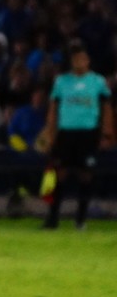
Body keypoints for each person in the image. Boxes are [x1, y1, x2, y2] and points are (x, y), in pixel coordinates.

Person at [42, 42, 114, 230]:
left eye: (81, 58)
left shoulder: (97, 81)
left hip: (88, 134)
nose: (78, 62)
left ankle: (80, 220)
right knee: (58, 173)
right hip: (66, 133)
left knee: (86, 175)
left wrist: (107, 134)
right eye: (74, 59)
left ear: (87, 60)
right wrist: (50, 133)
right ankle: (52, 219)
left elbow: (106, 108)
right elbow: (53, 109)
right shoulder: (61, 81)